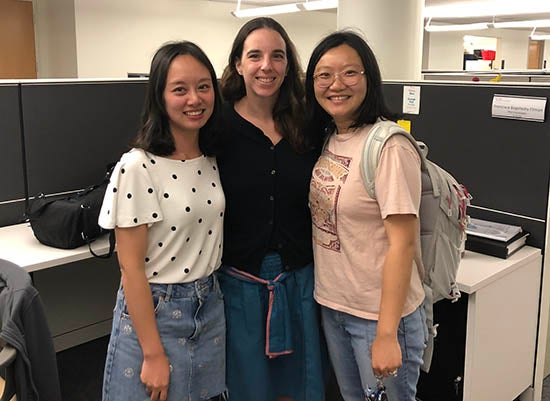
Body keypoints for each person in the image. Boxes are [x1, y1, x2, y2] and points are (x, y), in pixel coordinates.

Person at [98, 41, 226, 401]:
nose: (195, 99)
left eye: (203, 86)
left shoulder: (213, 157)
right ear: (159, 96)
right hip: (156, 310)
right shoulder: (138, 166)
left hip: (210, 304)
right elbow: (131, 269)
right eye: (179, 89)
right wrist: (153, 353)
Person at [305, 31, 428, 401]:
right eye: (324, 75)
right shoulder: (330, 137)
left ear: (369, 78)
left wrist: (387, 334)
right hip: (335, 307)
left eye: (349, 73)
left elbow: (402, 244)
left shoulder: (388, 146)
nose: (336, 85)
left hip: (380, 319)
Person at [216, 17, 325, 401]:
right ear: (238, 64)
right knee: (249, 388)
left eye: (277, 56)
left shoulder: (307, 123)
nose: (267, 66)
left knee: (301, 387)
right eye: (255, 55)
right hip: (240, 284)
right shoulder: (216, 125)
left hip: (301, 281)